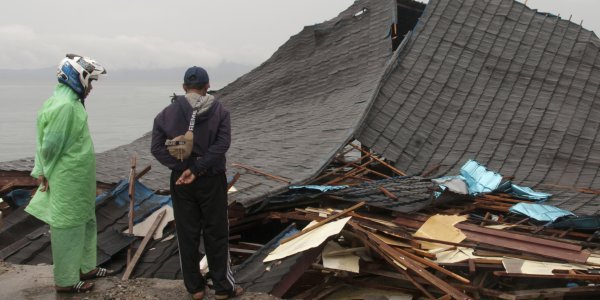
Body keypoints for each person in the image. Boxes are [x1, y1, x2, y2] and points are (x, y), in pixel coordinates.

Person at [151, 66, 243, 299]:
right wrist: (197, 169)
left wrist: (182, 169)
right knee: (217, 231)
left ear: (184, 88)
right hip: (211, 178)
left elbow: (156, 148)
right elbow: (222, 145)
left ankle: (195, 288)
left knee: (187, 232)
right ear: (207, 85)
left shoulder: (166, 114)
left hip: (181, 181)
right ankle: (223, 287)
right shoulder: (220, 111)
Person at [26, 54, 115, 293]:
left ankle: (86, 267)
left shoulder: (67, 101)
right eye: (90, 81)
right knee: (67, 227)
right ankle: (66, 280)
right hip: (67, 178)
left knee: (85, 221)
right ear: (78, 77)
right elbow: (50, 145)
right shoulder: (65, 106)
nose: (91, 88)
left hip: (78, 178)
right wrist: (43, 171)